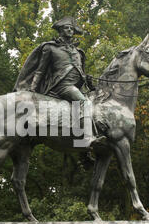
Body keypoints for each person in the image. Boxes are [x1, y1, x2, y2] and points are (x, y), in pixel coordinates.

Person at [14, 16, 98, 146]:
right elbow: (40, 70)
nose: (69, 30)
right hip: (62, 86)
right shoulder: (51, 48)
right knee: (84, 103)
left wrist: (89, 81)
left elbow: (82, 73)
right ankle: (87, 138)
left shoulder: (79, 52)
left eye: (71, 28)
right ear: (60, 31)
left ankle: (84, 152)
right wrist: (32, 90)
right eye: (66, 28)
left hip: (77, 88)